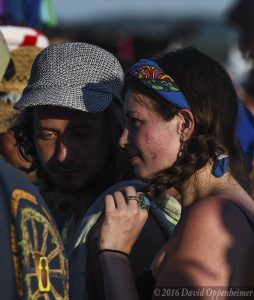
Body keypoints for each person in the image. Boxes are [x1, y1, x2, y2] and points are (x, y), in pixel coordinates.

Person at [12, 42, 181, 299]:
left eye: (82, 133)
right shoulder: (56, 216)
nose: (63, 153)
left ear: (115, 129)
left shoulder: (133, 222)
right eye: (47, 134)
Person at [97, 47, 254, 300]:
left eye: (136, 121)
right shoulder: (224, 208)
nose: (123, 140)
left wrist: (114, 254)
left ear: (184, 124)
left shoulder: (212, 218)